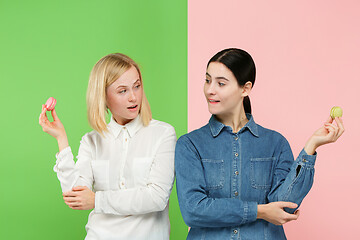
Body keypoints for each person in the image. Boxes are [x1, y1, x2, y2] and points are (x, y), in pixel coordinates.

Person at [175, 48, 344, 240]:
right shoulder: (190, 145)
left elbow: (284, 205)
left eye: (221, 83)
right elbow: (193, 210)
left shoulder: (275, 143)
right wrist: (259, 211)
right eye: (207, 80)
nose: (210, 90)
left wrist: (311, 147)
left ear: (245, 89)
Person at [39, 53, 176, 240]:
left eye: (137, 86)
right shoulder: (91, 141)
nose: (134, 97)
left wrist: (97, 200)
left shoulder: (163, 134)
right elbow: (75, 196)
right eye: (122, 91)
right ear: (103, 96)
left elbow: (156, 197)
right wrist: (61, 139)